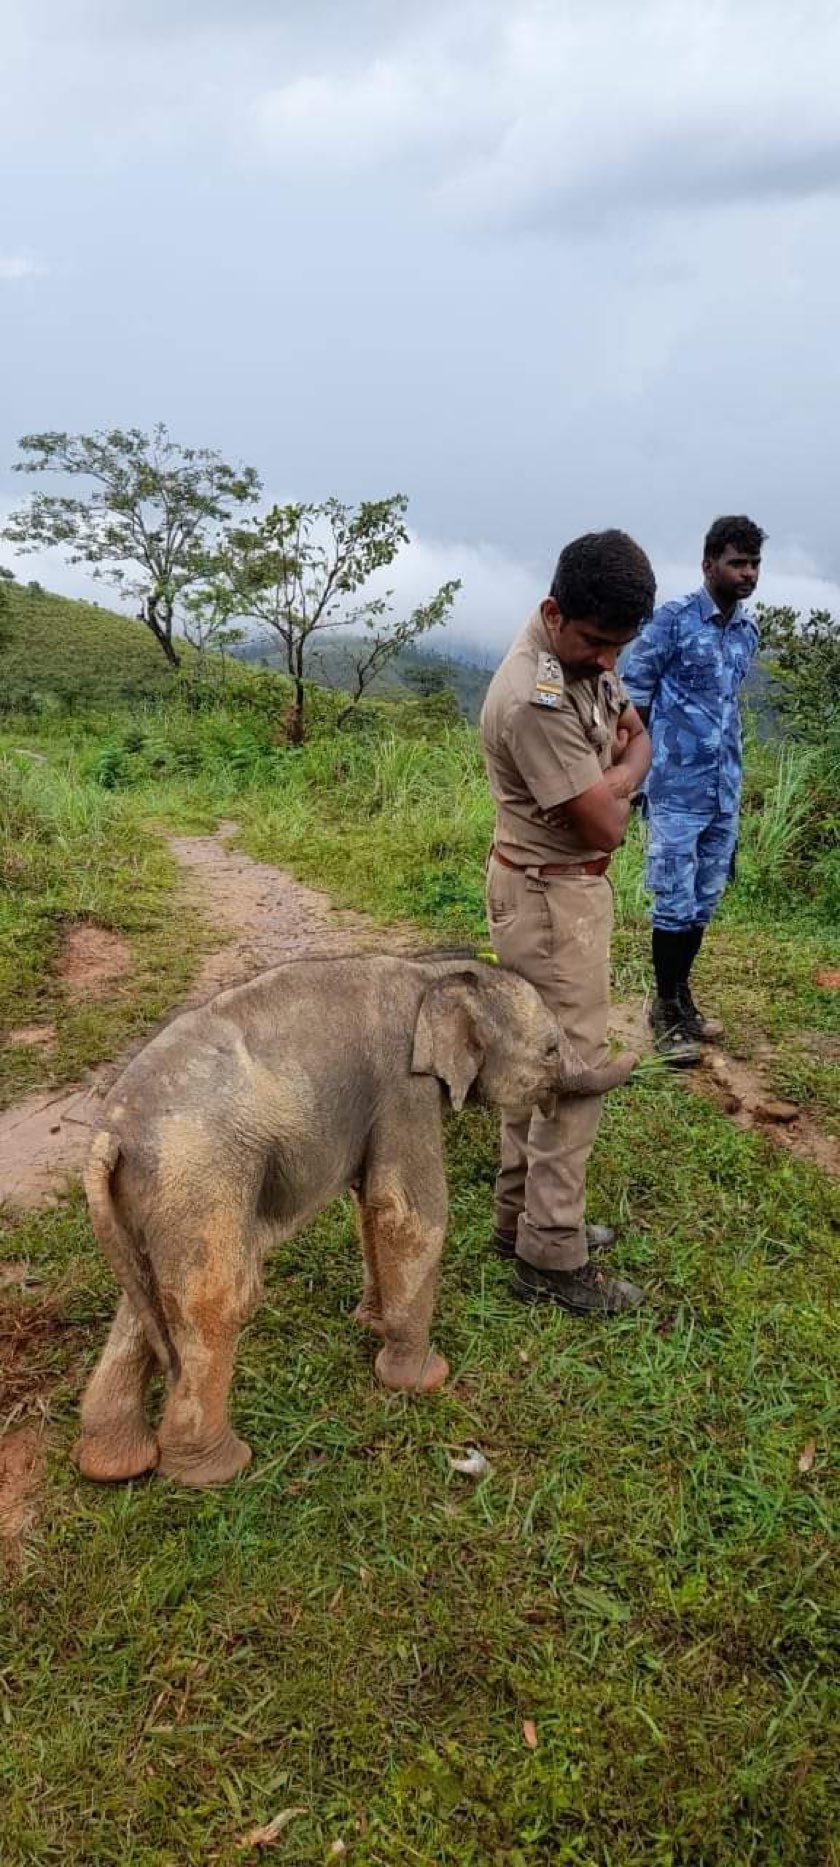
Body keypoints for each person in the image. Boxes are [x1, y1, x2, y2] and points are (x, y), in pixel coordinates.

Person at [479, 530, 654, 1315]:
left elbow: (640, 731)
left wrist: (614, 773)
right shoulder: (532, 696)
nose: (610, 663)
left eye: (620, 647)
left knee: (529, 1057)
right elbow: (606, 825)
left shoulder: (576, 661)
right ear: (555, 612)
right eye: (597, 642)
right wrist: (620, 777)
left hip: (556, 890)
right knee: (570, 1071)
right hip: (552, 898)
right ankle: (550, 1253)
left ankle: (519, 1220)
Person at [621, 515, 764, 1064]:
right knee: (673, 902)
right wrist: (633, 777)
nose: (747, 574)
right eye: (736, 563)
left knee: (703, 901)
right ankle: (662, 1008)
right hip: (675, 788)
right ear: (709, 565)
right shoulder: (674, 622)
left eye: (753, 564)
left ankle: (683, 998)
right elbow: (634, 698)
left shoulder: (746, 633)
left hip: (723, 791)